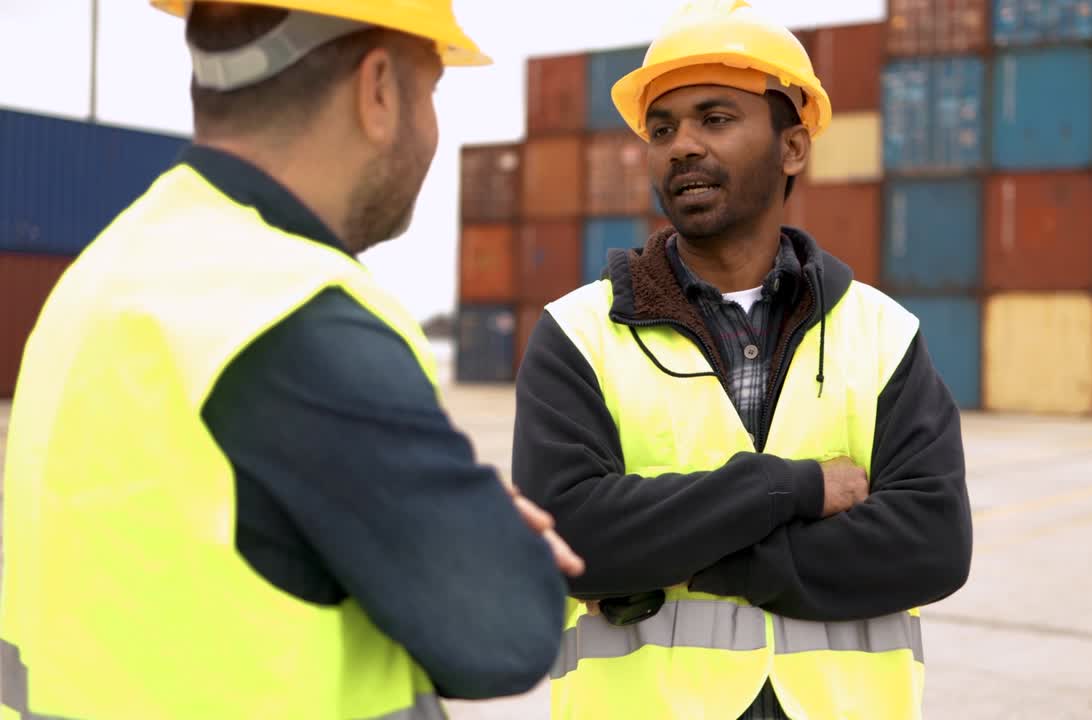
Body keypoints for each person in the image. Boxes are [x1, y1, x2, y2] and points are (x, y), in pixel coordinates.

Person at [0, 2, 581, 718]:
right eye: (431, 89)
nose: (432, 126)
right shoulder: (297, 313)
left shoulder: (96, 278)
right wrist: (490, 526)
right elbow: (505, 633)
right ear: (378, 90)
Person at [511, 1, 973, 718]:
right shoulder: (578, 334)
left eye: (715, 119)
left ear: (792, 148)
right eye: (661, 129)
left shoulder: (881, 334)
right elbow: (574, 537)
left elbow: (932, 544)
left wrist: (683, 558)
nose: (681, 146)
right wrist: (790, 490)